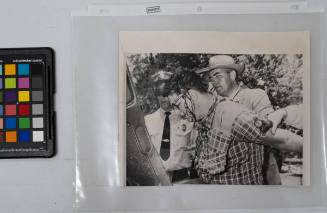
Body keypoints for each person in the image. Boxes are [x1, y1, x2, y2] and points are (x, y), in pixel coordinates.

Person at [172, 71, 302, 184]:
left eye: (177, 105)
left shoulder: (231, 115)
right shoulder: (202, 121)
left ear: (193, 96)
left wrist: (317, 153)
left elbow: (285, 139)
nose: (177, 111)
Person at [196, 55, 282, 185]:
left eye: (218, 76)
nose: (213, 81)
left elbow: (270, 132)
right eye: (211, 77)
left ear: (232, 75)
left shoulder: (253, 96)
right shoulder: (212, 104)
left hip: (252, 175)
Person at [144, 71, 197, 183]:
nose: (163, 98)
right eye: (159, 93)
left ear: (174, 93)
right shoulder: (148, 121)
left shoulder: (187, 117)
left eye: (166, 93)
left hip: (184, 177)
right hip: (159, 179)